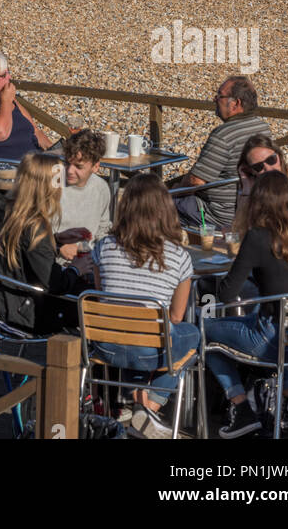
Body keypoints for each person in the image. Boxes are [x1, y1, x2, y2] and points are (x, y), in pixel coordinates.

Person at [203, 170, 288, 438]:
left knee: (202, 332)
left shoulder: (259, 237)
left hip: (271, 342)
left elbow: (226, 295)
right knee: (268, 321)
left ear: (259, 202)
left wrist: (243, 266)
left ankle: (240, 405)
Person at [90, 174, 198, 440]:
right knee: (192, 334)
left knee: (131, 327)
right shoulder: (179, 256)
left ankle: (137, 408)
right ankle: (149, 407)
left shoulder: (103, 247)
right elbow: (175, 316)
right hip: (149, 349)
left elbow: (103, 299)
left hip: (105, 345)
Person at [0, 154, 84, 335]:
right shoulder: (35, 227)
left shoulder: (9, 213)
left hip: (10, 305)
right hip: (30, 315)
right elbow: (54, 284)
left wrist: (56, 241)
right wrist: (77, 269)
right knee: (92, 296)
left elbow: (23, 252)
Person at [173, 76, 269, 230]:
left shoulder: (223, 135)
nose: (215, 99)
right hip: (251, 208)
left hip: (217, 214)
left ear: (236, 103)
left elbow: (196, 181)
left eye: (220, 96)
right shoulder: (263, 128)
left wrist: (175, 189)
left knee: (152, 204)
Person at [56, 129, 112, 265]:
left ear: (96, 166)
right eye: (67, 163)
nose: (69, 171)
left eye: (78, 166)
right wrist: (58, 247)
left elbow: (103, 230)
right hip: (54, 262)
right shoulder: (52, 184)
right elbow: (32, 232)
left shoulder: (101, 188)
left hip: (89, 261)